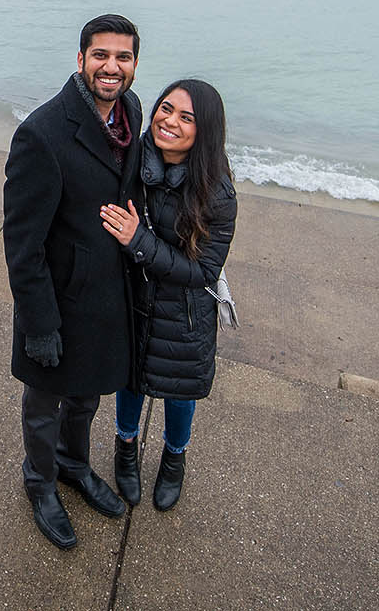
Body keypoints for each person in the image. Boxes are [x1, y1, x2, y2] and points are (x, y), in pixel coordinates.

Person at [3, 13, 143, 549]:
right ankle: (39, 481)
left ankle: (73, 465)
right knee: (45, 404)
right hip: (58, 298)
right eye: (101, 55)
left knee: (88, 396)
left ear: (133, 64)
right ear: (80, 59)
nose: (112, 67)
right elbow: (22, 243)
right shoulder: (41, 134)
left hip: (106, 295)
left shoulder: (129, 111)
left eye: (123, 57)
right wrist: (39, 323)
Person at [98, 78, 237, 512]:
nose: (169, 121)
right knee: (131, 376)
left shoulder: (217, 193)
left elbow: (203, 272)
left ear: (205, 131)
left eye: (186, 117)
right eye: (165, 108)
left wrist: (139, 241)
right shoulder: (133, 159)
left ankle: (174, 457)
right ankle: (126, 446)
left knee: (180, 391)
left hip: (186, 313)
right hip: (134, 297)